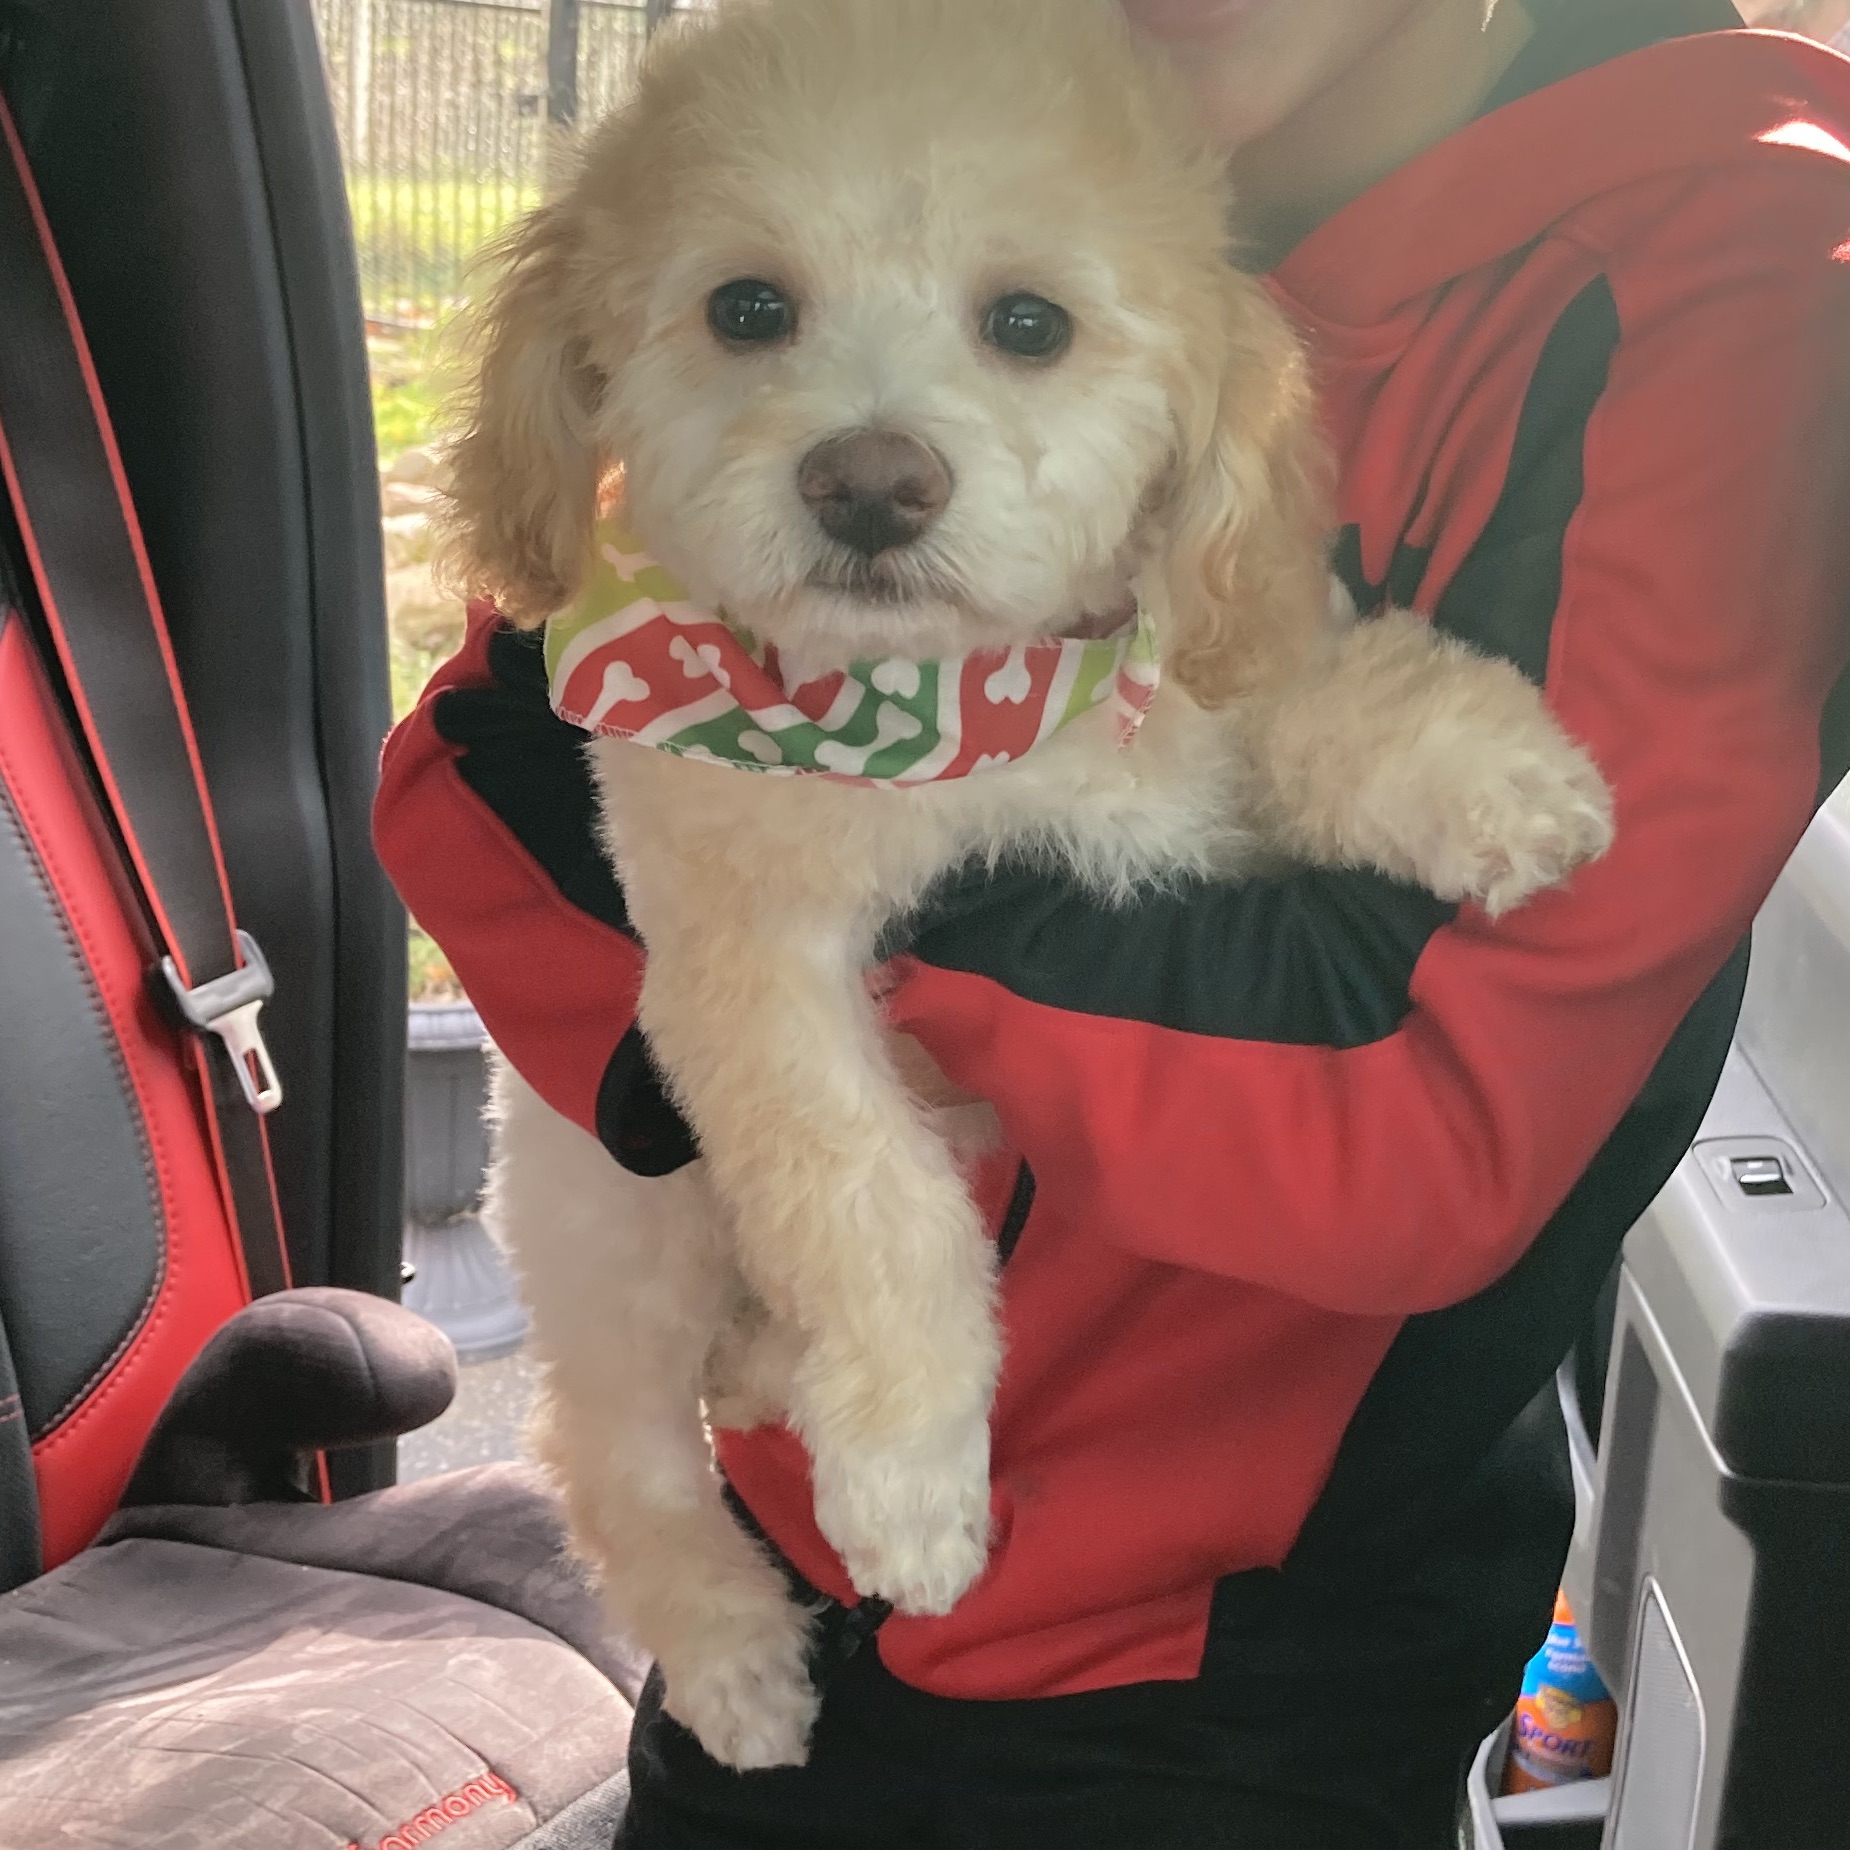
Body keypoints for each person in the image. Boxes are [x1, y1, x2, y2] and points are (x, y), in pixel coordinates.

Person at [374, 1, 1850, 1843]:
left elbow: (1419, 1124)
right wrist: (751, 1011)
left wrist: (817, 889)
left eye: (1027, 326)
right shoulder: (882, 88)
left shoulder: (1729, 281)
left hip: (1215, 1689)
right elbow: (481, 766)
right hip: (795, 1529)